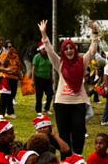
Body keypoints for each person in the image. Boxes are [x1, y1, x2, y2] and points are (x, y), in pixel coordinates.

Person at [38, 20, 99, 154]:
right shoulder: (59, 62)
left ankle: (77, 157)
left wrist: (94, 33)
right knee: (63, 134)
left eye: (71, 48)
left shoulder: (82, 61)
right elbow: (49, 50)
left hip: (79, 102)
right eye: (66, 49)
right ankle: (65, 159)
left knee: (79, 131)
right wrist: (44, 34)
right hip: (62, 103)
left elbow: (92, 50)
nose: (69, 51)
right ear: (63, 51)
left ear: (75, 49)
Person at [0, 40, 22, 118]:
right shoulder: (3, 55)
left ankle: (10, 112)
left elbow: (18, 66)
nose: (10, 48)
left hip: (14, 78)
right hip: (5, 77)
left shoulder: (16, 56)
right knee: (4, 95)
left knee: (11, 95)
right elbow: (4, 64)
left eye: (11, 47)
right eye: (8, 47)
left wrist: (20, 75)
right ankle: (1, 113)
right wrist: (8, 54)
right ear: (6, 48)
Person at [31, 43, 54, 114]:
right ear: (40, 50)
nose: (44, 50)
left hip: (47, 78)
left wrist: (52, 77)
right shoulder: (37, 57)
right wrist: (33, 80)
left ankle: (46, 109)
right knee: (39, 95)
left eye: (45, 49)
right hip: (39, 78)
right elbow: (33, 69)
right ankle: (38, 110)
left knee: (50, 93)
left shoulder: (49, 57)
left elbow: (51, 68)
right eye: (43, 49)